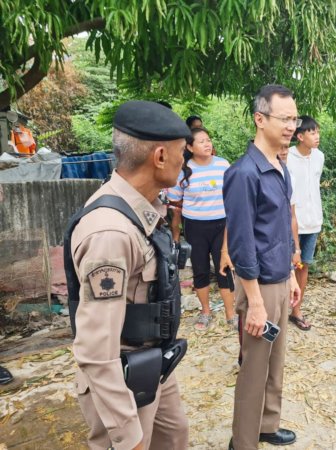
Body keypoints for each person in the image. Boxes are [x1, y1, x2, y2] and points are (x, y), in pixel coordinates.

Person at [68, 100, 189, 449]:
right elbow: (96, 351)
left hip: (152, 363)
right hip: (121, 377)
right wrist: (126, 434)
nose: (185, 161)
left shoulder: (144, 210)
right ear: (160, 156)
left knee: (174, 436)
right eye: (182, 152)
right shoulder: (111, 232)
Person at [223, 85, 301, 450]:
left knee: (276, 361)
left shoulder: (280, 167)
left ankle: (267, 424)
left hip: (280, 279)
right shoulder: (244, 173)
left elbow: (280, 229)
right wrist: (254, 301)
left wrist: (291, 275)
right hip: (260, 287)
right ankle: (243, 441)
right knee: (254, 367)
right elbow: (241, 243)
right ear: (260, 119)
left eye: (294, 119)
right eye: (284, 118)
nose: (291, 126)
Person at [167, 127, 236, 330]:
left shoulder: (223, 165)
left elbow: (233, 193)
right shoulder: (183, 170)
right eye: (201, 141)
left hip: (222, 226)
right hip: (195, 226)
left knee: (225, 269)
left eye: (208, 140)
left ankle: (231, 314)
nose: (207, 144)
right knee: (200, 270)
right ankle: (205, 312)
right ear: (190, 147)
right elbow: (174, 201)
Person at [284, 115, 324, 331]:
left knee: (303, 265)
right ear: (300, 136)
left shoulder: (319, 156)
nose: (317, 136)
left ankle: (296, 310)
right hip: (291, 220)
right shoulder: (287, 156)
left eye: (318, 132)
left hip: (313, 220)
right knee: (285, 266)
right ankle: (279, 309)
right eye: (312, 132)